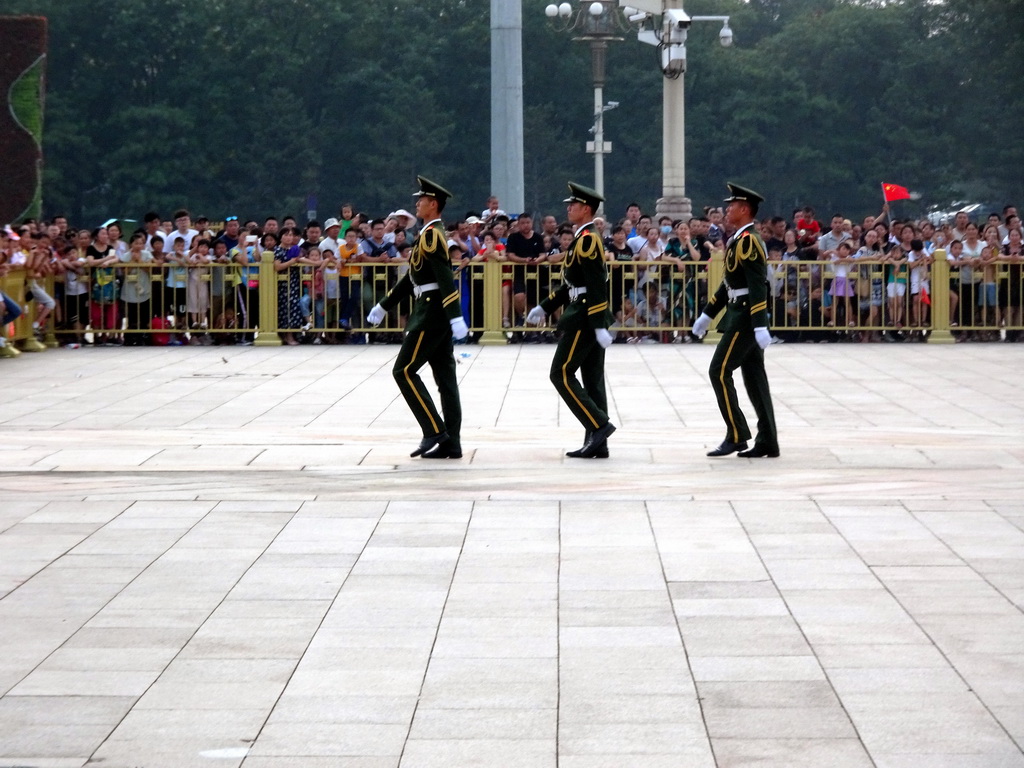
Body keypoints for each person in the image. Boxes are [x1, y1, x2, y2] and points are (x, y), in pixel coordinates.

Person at [366, 176, 468, 459]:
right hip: (433, 310)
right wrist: (385, 305)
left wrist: (454, 315)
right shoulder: (428, 234)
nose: (416, 204)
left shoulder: (434, 235)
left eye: (420, 200)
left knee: (403, 371)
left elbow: (445, 278)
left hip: (431, 314)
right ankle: (452, 443)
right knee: (445, 380)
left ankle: (434, 430)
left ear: (433, 204)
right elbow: (414, 278)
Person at [526, 182, 616, 459]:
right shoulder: (582, 238)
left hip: (585, 315)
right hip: (585, 311)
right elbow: (570, 284)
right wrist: (544, 306)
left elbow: (596, 284)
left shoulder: (588, 239)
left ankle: (599, 426)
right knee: (591, 379)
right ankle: (597, 442)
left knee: (560, 373)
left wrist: (598, 322)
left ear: (586, 209)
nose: (568, 208)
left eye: (573, 205)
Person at [691, 183, 779, 458]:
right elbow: (729, 284)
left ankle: (737, 434)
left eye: (732, 206)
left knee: (719, 370)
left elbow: (757, 285)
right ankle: (767, 440)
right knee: (755, 379)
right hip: (739, 311)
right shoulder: (739, 239)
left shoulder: (750, 240)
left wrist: (760, 323)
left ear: (744, 209)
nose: (727, 210)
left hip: (744, 317)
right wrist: (708, 313)